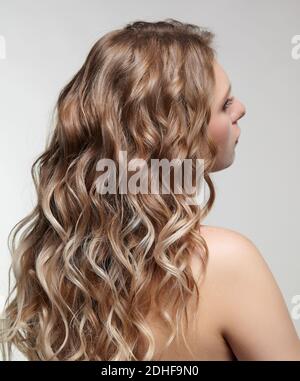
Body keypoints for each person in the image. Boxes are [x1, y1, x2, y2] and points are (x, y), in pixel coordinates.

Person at [1, 18, 300, 361]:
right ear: (173, 137)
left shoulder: (58, 270)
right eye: (225, 104)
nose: (241, 109)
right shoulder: (225, 261)